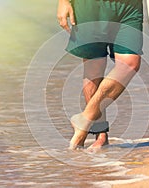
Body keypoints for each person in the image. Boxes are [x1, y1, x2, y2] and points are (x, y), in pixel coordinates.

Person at [57, 0, 143, 150]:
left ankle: (85, 119)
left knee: (130, 63)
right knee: (94, 67)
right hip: (91, 5)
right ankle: (100, 135)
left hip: (130, 5)